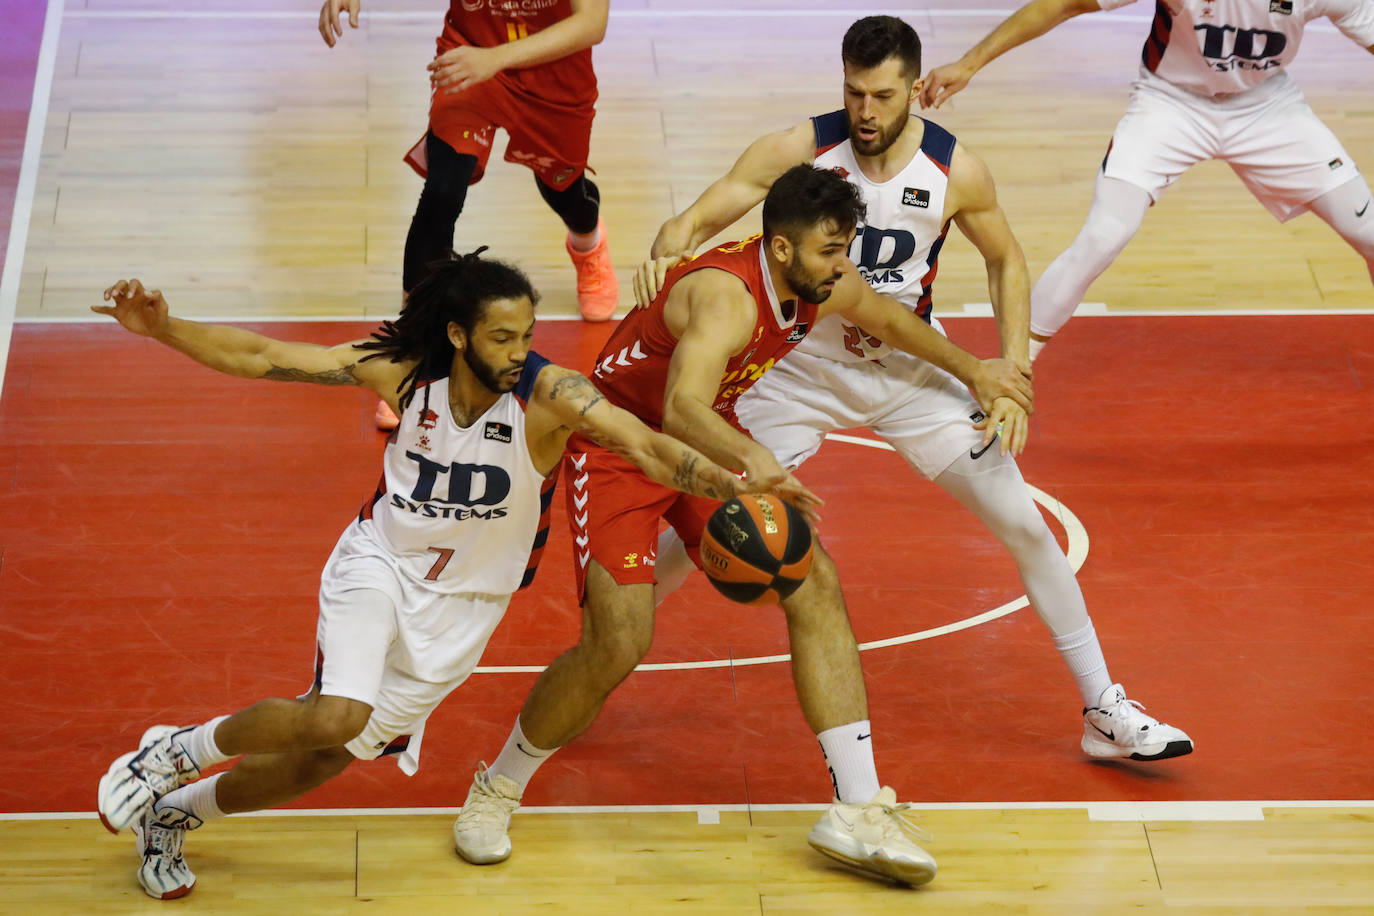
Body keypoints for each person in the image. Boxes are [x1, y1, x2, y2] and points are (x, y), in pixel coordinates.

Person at [91, 251, 752, 900]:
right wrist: (166, 329)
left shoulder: (549, 397)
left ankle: (174, 815)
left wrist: (722, 479)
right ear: (458, 335)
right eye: (501, 337)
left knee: (328, 755)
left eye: (526, 335)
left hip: (465, 608)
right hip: (380, 564)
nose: (519, 351)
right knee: (335, 716)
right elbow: (265, 355)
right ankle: (174, 754)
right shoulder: (406, 373)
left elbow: (638, 440)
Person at [449, 164, 1035, 888]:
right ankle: (498, 786)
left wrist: (973, 368)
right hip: (619, 445)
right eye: (830, 251)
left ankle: (856, 808)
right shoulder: (726, 296)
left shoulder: (822, 282)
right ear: (782, 251)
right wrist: (757, 461)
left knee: (813, 578)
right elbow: (681, 405)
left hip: (704, 439)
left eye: (846, 247)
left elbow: (886, 319)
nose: (843, 265)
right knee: (620, 640)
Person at [640, 17, 1193, 766]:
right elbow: (716, 203)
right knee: (702, 522)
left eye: (883, 95)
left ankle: (1105, 710)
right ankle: (607, 638)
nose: (866, 110)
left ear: (913, 88)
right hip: (798, 371)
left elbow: (1007, 262)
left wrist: (1011, 370)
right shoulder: (803, 148)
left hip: (910, 372)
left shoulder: (954, 169)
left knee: (1026, 525)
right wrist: (675, 233)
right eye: (854, 92)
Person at [920, 0, 1374, 360]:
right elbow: (1063, 4)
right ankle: (1013, 371)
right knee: (1104, 234)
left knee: (1368, 232)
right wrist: (969, 63)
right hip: (1170, 104)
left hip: (1266, 106)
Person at [318, 0, 618, 430]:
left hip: (552, 72)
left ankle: (587, 242)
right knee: (442, 190)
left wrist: (494, 59)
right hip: (469, 53)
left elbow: (592, 23)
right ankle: (414, 355)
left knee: (564, 192)